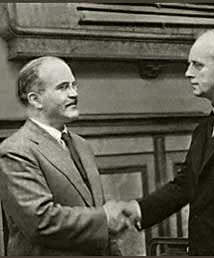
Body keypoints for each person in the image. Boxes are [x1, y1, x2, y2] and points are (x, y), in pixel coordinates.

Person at [123, 29, 214, 255]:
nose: (188, 73)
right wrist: (137, 210)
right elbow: (185, 186)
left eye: (197, 65)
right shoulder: (204, 129)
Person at [0, 56, 130, 256]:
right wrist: (105, 217)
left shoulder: (81, 145)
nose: (74, 94)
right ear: (35, 99)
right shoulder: (16, 150)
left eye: (74, 85)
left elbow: (101, 219)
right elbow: (40, 221)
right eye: (63, 87)